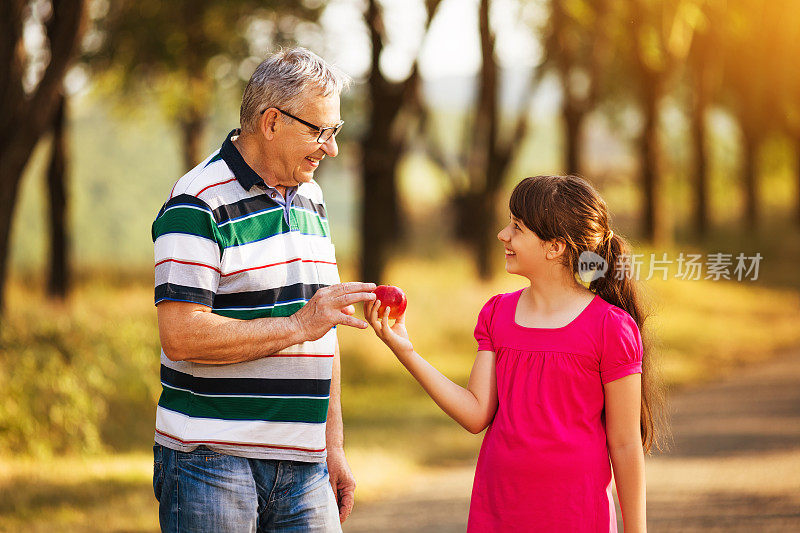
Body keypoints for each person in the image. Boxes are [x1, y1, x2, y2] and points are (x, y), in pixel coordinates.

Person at [151, 47, 376, 532]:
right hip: (210, 460)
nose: (331, 148)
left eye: (334, 131)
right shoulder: (196, 203)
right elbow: (182, 336)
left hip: (305, 465)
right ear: (271, 122)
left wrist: (332, 446)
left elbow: (325, 328)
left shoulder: (312, 197)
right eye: (319, 131)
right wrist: (299, 324)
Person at [365, 175, 668, 532]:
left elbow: (625, 444)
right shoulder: (497, 314)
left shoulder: (610, 327)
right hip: (498, 513)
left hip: (577, 517)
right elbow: (476, 413)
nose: (502, 235)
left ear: (554, 247)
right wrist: (406, 351)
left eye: (517, 227)